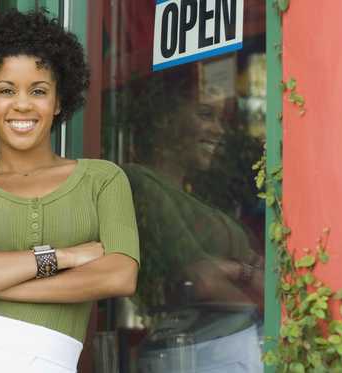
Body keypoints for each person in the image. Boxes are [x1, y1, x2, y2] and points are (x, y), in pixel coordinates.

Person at [0, 10, 140, 373]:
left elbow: (119, 275)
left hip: (48, 359)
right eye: (5, 90)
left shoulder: (103, 180)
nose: (22, 104)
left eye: (38, 90)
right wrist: (64, 256)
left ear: (58, 101)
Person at [119, 68, 264, 372]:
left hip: (222, 348)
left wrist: (239, 270)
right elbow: (200, 279)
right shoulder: (142, 183)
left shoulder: (192, 197)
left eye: (219, 119)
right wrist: (264, 305)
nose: (218, 130)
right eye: (205, 114)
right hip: (203, 352)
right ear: (165, 120)